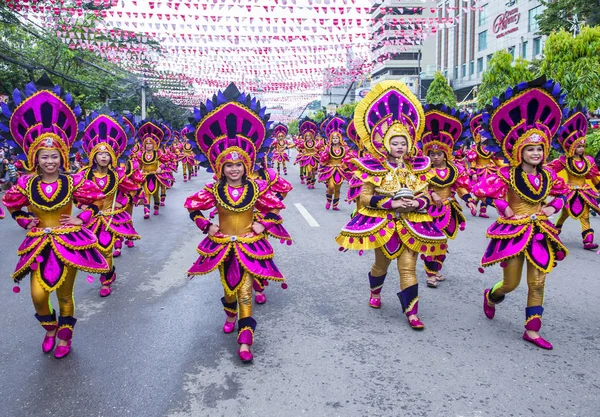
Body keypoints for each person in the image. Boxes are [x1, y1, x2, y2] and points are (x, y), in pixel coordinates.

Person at [0, 76, 110, 358]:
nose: (50, 161)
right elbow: (11, 204)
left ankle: (64, 336)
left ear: (62, 158)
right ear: (36, 158)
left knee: (64, 295)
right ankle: (50, 328)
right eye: (44, 156)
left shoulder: (73, 182)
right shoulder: (25, 184)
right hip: (38, 244)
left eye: (54, 157)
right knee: (38, 296)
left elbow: (97, 199)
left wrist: (81, 219)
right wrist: (25, 221)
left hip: (68, 243)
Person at [184, 83, 289, 362]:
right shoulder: (213, 190)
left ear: (246, 166)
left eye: (239, 165)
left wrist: (263, 225)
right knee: (229, 291)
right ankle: (229, 313)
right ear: (221, 167)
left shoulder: (257, 189)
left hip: (249, 245)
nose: (234, 169)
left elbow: (275, 211)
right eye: (229, 165)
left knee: (244, 292)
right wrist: (206, 226)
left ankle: (245, 340)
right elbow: (192, 209)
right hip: (222, 246)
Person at [335, 81, 447, 330]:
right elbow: (364, 198)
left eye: (403, 143)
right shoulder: (372, 167)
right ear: (386, 144)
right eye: (395, 143)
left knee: (408, 268)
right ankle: (375, 292)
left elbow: (427, 196)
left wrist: (417, 202)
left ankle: (412, 313)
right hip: (384, 225)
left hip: (411, 224)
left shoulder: (418, 168)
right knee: (381, 265)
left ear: (409, 145)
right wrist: (391, 202)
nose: (400, 147)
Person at [476, 77, 569, 350]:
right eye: (530, 148)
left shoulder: (550, 175)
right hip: (513, 231)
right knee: (511, 283)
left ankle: (532, 330)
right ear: (520, 151)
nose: (536, 153)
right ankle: (492, 296)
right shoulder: (507, 173)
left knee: (538, 282)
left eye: (540, 148)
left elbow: (562, 194)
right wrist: (507, 211)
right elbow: (491, 193)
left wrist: (551, 208)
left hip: (540, 229)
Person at [78, 112, 141, 297]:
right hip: (89, 217)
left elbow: (132, 188)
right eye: (100, 154)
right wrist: (81, 207)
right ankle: (108, 273)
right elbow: (74, 194)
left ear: (112, 155)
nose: (103, 157)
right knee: (93, 249)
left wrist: (133, 198)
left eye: (107, 154)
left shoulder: (117, 174)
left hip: (110, 217)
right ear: (93, 156)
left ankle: (105, 281)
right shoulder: (83, 174)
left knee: (106, 248)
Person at [420, 104, 477, 287]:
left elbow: (461, 187)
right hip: (429, 209)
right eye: (432, 153)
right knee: (430, 241)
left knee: (443, 243)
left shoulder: (455, 169)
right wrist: (431, 194)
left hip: (449, 209)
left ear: (445, 154)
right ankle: (430, 274)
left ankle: (436, 270)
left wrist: (469, 201)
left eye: (439, 154)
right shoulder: (423, 170)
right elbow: (418, 186)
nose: (436, 157)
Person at [546, 108, 600, 250]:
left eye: (583, 146)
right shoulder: (564, 160)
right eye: (579, 146)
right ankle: (555, 232)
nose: (581, 149)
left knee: (585, 216)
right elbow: (550, 170)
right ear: (572, 147)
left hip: (584, 193)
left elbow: (593, 177)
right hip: (568, 191)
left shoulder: (588, 161)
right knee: (564, 214)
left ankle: (588, 240)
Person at [135, 121, 174, 218]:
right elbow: (138, 164)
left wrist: (160, 168)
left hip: (155, 176)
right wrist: (138, 171)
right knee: (146, 193)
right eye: (146, 144)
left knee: (155, 193)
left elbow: (167, 162)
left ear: (154, 145)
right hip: (145, 176)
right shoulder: (141, 154)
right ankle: (147, 211)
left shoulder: (158, 154)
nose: (148, 145)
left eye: (150, 144)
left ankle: (156, 207)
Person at [318, 116, 353, 210]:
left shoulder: (344, 149)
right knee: (331, 187)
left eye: (336, 138)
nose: (335, 140)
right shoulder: (328, 148)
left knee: (338, 189)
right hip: (330, 169)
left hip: (340, 170)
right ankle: (329, 200)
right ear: (330, 139)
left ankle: (335, 205)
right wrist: (324, 158)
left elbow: (347, 159)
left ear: (340, 139)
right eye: (333, 138)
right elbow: (323, 160)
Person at [296, 117, 323, 189]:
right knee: (309, 170)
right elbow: (298, 146)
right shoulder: (303, 143)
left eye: (309, 136)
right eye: (306, 136)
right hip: (307, 158)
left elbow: (321, 148)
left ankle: (312, 183)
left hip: (314, 158)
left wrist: (319, 150)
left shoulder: (316, 143)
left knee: (314, 172)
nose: (308, 137)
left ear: (312, 136)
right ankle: (308, 180)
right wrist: (301, 151)